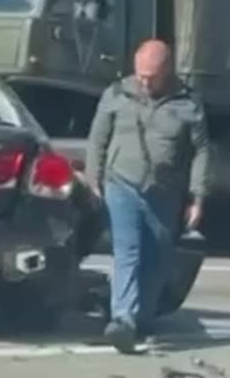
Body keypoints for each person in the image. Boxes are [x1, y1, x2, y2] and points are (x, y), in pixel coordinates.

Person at [85, 39, 210, 354]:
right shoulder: (116, 95)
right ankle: (122, 321)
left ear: (167, 72)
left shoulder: (188, 105)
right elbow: (97, 139)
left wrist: (197, 198)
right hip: (121, 185)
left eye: (151, 77)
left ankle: (142, 318)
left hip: (165, 194)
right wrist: (93, 179)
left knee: (156, 259)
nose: (144, 82)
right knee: (128, 251)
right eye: (140, 75)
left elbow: (201, 153)